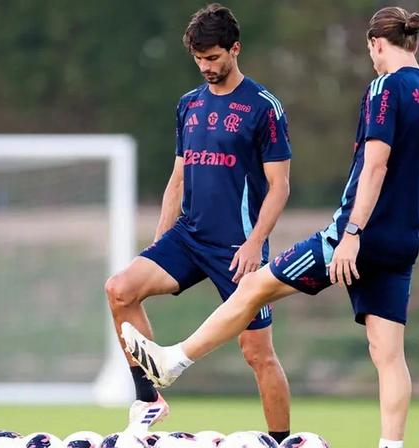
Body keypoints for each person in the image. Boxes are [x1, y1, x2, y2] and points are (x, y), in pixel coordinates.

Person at [121, 7, 419, 448]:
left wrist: (352, 234)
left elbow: (375, 164)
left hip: (353, 237)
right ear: (416, 43)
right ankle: (392, 445)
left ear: (376, 44)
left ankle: (175, 361)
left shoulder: (385, 87)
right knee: (389, 356)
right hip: (405, 238)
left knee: (255, 286)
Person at [105, 3, 293, 442]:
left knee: (258, 353)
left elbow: (279, 186)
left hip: (237, 249)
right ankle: (150, 400)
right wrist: (158, 244)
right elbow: (177, 179)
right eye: (198, 59)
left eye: (213, 57)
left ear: (235, 49)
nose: (206, 67)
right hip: (188, 237)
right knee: (120, 288)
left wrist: (255, 244)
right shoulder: (188, 105)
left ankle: (283, 440)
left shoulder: (263, 107)